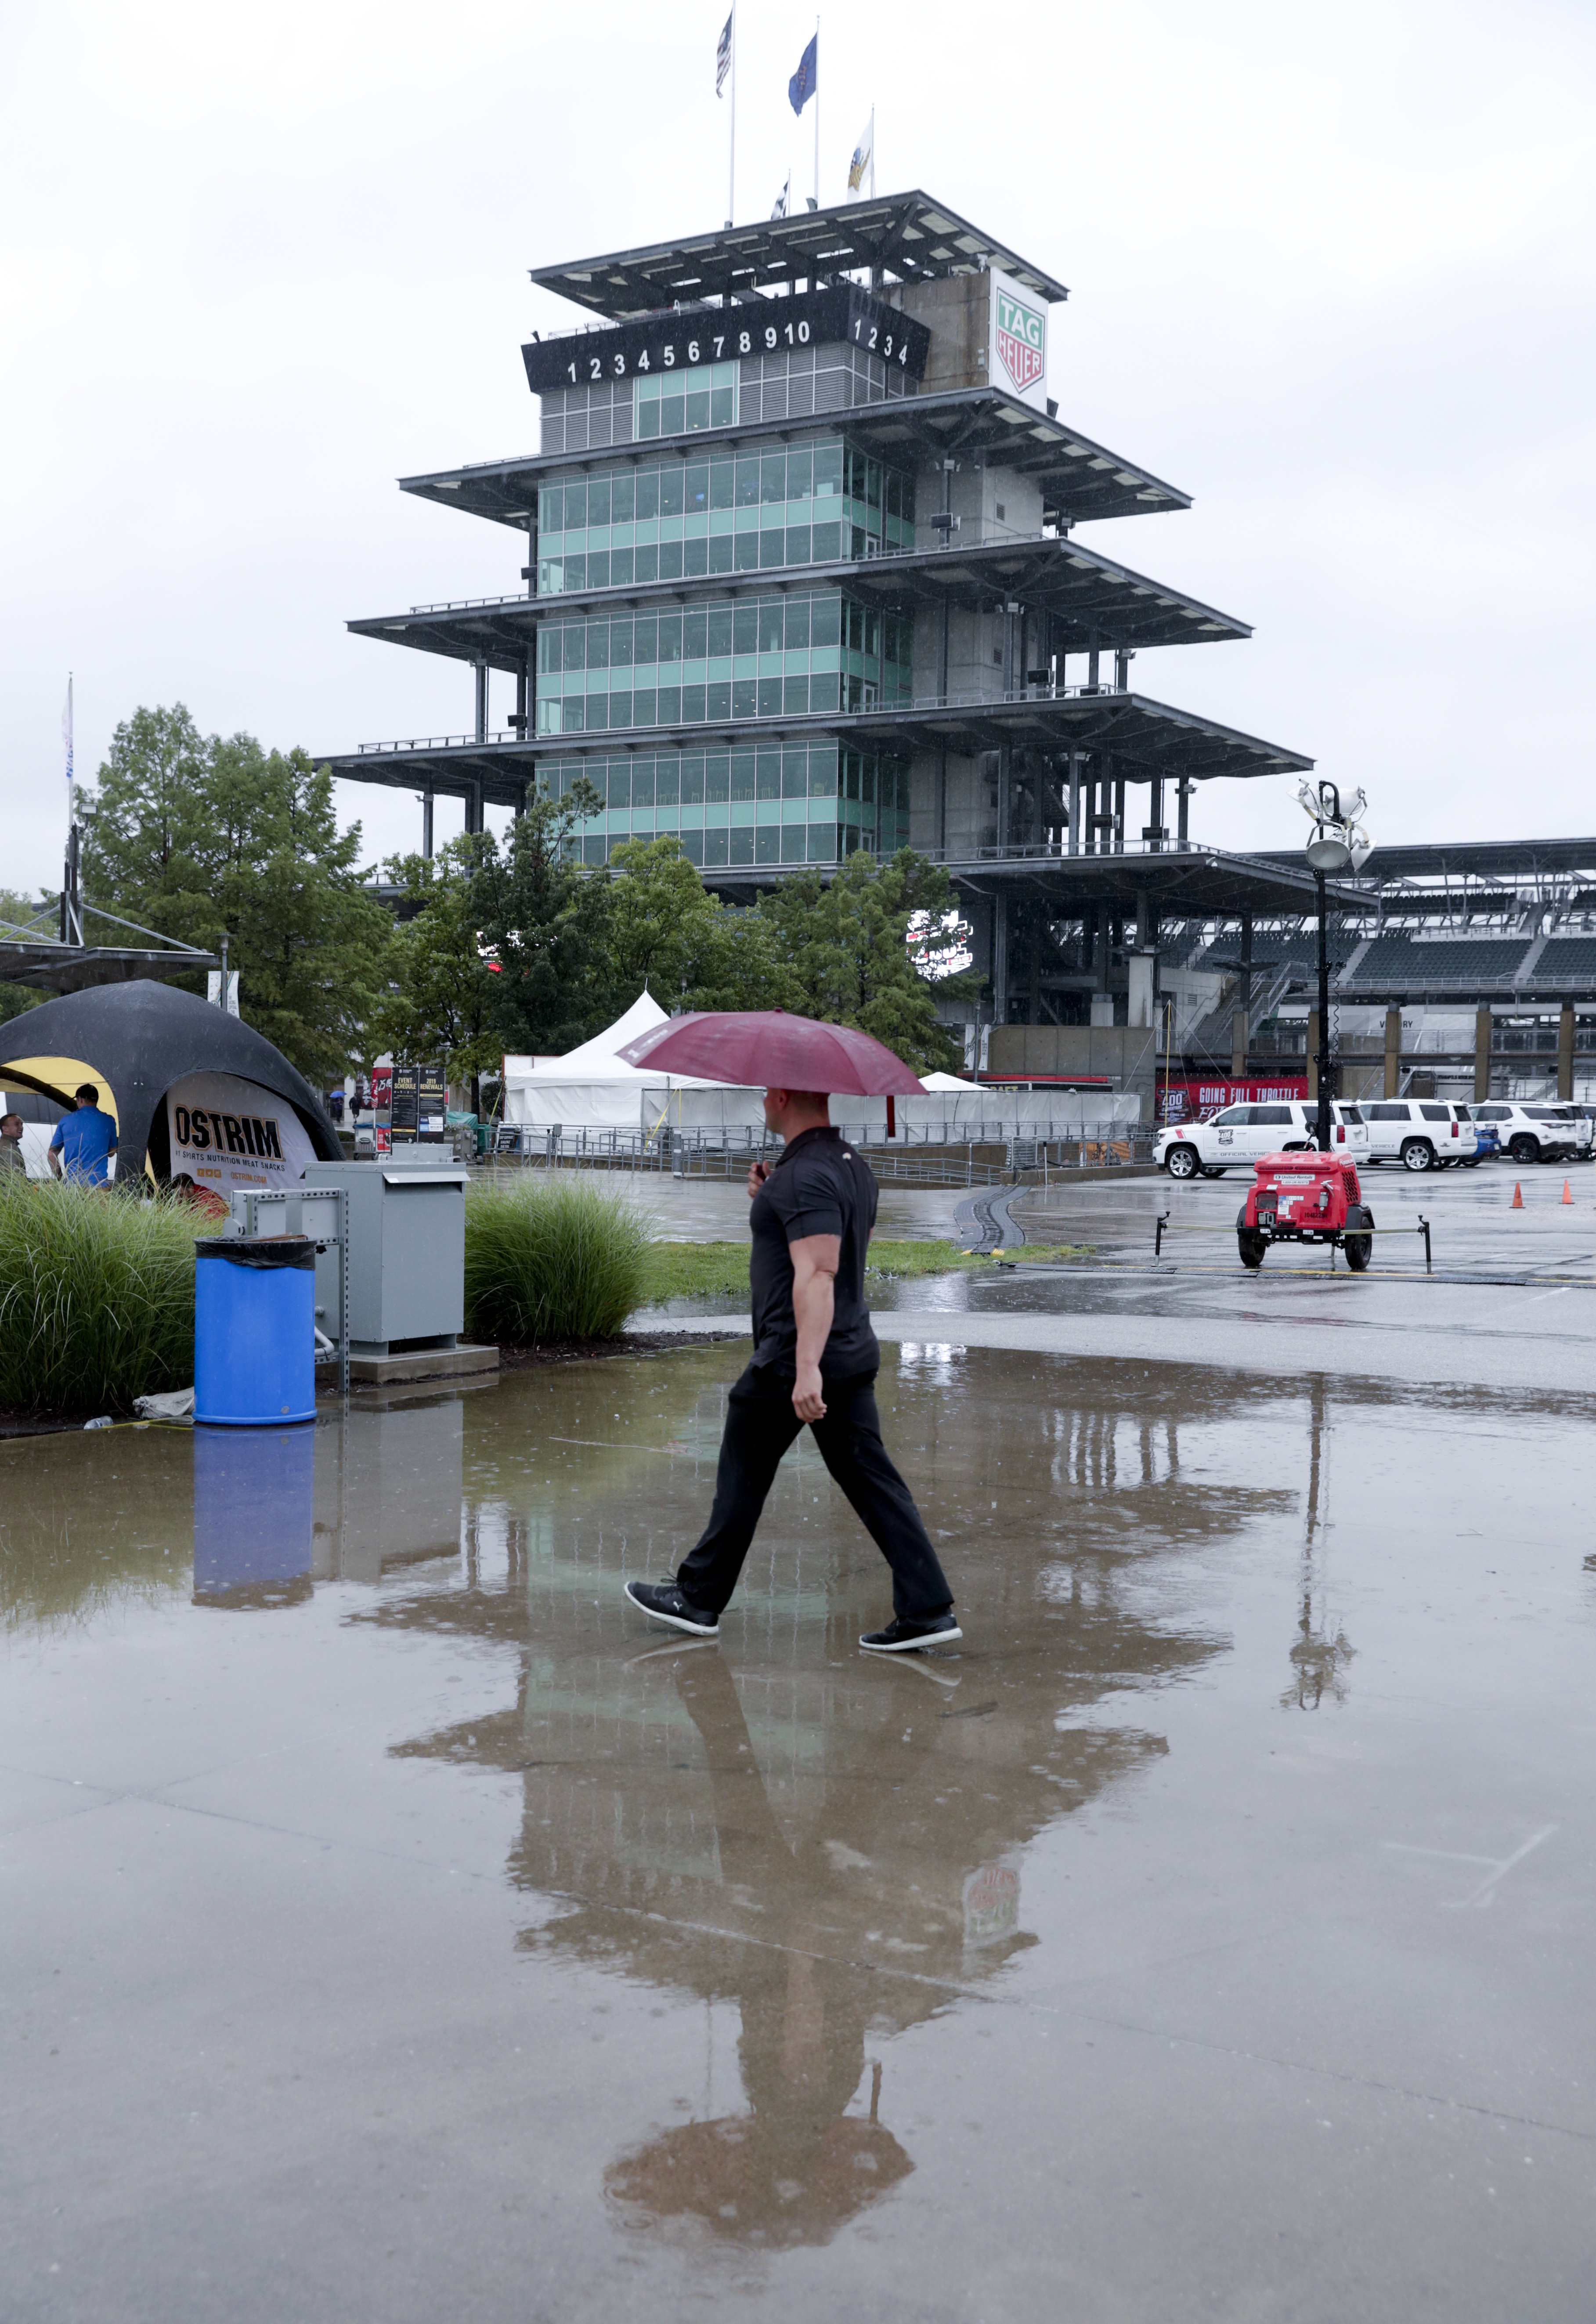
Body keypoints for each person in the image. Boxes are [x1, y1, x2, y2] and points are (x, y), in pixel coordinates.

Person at [625, 1084, 960, 1653]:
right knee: (873, 1481)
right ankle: (928, 1607)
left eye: (765, 1093)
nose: (761, 1101)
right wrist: (770, 1197)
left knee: (742, 1469)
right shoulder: (849, 1168)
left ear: (782, 1096)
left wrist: (806, 1368)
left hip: (795, 1358)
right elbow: (845, 1245)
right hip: (850, 1350)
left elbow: (820, 1271)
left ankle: (698, 1597)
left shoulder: (805, 1175)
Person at [47, 1084, 118, 1186]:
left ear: (80, 1099)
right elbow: (112, 1153)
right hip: (99, 1186)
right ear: (97, 1100)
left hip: (73, 1186)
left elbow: (51, 1154)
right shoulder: (109, 1121)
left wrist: (61, 1179)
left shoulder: (66, 1121)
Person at [0, 1110, 25, 1178]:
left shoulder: (4, 1144)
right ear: (5, 1129)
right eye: (17, 1124)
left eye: (22, 1124)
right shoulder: (10, 1147)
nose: (21, 1127)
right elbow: (16, 1178)